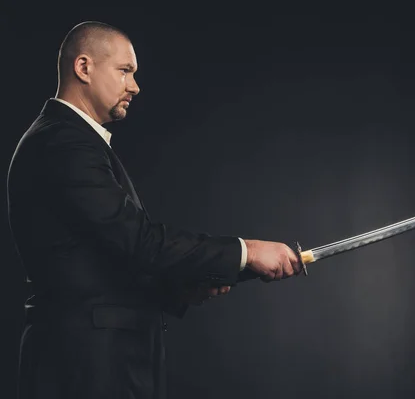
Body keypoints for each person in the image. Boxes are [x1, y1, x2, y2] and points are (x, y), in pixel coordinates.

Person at [7, 21, 303, 399]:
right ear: (84, 68)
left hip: (97, 364)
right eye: (125, 71)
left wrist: (181, 286)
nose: (135, 86)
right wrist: (247, 251)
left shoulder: (72, 141)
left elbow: (102, 257)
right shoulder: (63, 143)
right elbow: (139, 241)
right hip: (86, 370)